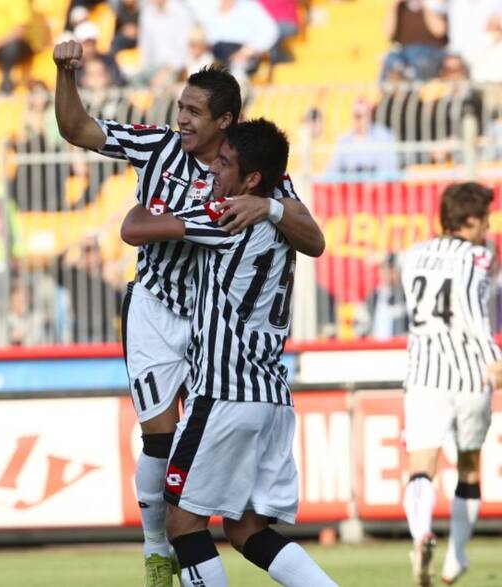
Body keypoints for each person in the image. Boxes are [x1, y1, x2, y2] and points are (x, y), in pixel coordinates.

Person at [53, 40, 324, 586]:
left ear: (227, 121)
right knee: (161, 439)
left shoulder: (248, 186)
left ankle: (173, 538)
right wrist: (65, 76)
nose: (180, 120)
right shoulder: (158, 147)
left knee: (199, 515)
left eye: (194, 112)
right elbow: (77, 130)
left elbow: (310, 233)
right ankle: (157, 551)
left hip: (212, 328)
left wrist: (266, 207)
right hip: (159, 306)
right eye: (180, 107)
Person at [120, 118, 336, 587]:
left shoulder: (226, 217)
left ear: (252, 179)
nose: (212, 170)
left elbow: (134, 229)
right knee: (247, 531)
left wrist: (151, 197)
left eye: (223, 163)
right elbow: (317, 241)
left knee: (181, 521)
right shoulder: (282, 213)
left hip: (223, 391)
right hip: (271, 395)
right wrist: (273, 208)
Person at [400, 182, 501, 587]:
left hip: (425, 372)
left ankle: (421, 531)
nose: (490, 227)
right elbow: (474, 311)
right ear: (471, 219)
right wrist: (494, 358)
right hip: (472, 373)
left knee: (421, 465)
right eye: (487, 219)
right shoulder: (480, 257)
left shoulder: (413, 255)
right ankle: (456, 557)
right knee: (469, 465)